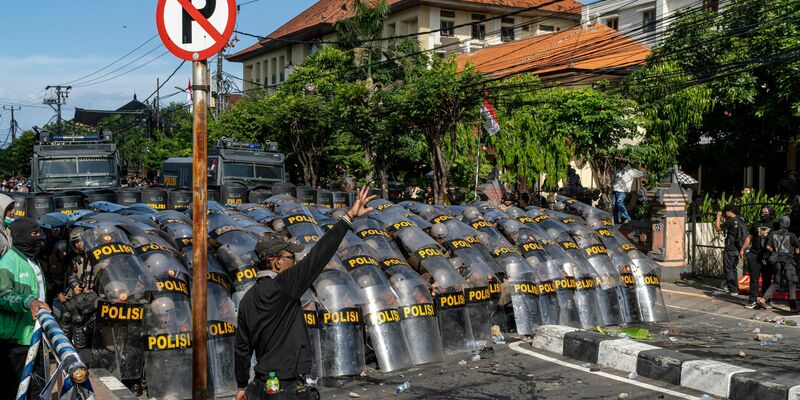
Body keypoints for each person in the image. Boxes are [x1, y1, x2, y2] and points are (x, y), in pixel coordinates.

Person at [235, 187, 375, 400]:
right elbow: (318, 255)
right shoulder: (284, 286)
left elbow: (242, 348)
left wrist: (241, 386)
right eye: (291, 257)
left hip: (260, 387)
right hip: (286, 389)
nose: (295, 262)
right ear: (276, 262)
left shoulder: (247, 299)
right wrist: (348, 217)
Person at [0, 217, 50, 400]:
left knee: (36, 387)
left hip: (34, 336)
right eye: (34, 234)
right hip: (15, 340)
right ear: (21, 235)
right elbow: (3, 295)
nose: (39, 237)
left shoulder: (32, 261)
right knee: (13, 390)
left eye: (40, 233)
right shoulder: (7, 262)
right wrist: (29, 302)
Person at [759, 216, 799, 312]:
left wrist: (775, 251)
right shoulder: (792, 235)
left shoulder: (773, 234)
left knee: (776, 283)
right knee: (791, 283)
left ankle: (763, 299)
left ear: (780, 224)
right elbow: (797, 251)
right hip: (788, 261)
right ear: (788, 224)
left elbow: (768, 246)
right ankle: (793, 307)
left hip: (777, 261)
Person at [742, 207, 775, 309]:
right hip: (754, 255)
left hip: (767, 256)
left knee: (767, 279)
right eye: (762, 212)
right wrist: (743, 249)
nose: (763, 214)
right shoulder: (756, 224)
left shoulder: (775, 225)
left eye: (766, 212)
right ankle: (752, 301)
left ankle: (765, 301)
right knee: (754, 279)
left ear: (770, 213)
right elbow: (749, 237)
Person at [715, 205, 746, 294]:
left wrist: (718, 217)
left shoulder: (731, 221)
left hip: (730, 248)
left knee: (728, 269)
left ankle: (732, 289)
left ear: (730, 212)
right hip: (738, 248)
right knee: (733, 269)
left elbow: (718, 228)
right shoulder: (741, 219)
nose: (725, 213)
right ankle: (735, 288)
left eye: (726, 212)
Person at [612, 160, 644, 224]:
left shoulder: (631, 171)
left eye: (621, 163)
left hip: (623, 191)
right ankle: (616, 220)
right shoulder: (618, 171)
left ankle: (626, 217)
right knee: (615, 205)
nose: (619, 164)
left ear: (624, 163)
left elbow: (641, 174)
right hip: (615, 190)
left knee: (619, 202)